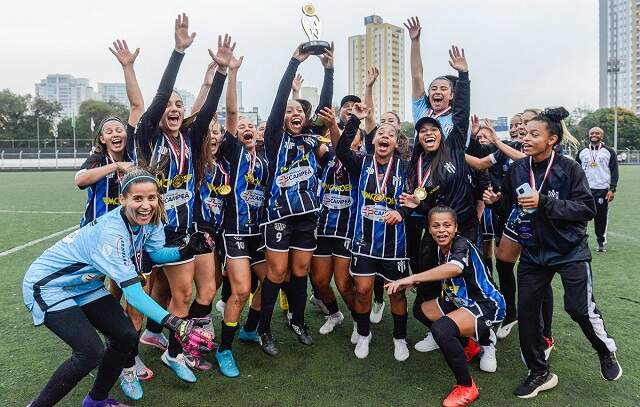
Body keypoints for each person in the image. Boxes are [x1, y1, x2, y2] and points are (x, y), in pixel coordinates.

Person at [23, 169, 214, 407]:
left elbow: (155, 253)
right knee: (89, 353)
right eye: (138, 198)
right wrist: (176, 323)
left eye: (151, 198)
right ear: (123, 199)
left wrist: (185, 251)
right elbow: (133, 294)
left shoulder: (152, 220)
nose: (146, 205)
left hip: (85, 285)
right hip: (49, 286)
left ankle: (95, 402)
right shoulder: (112, 233)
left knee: (125, 337)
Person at [483, 107, 621, 399]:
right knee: (528, 314)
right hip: (533, 251)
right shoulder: (519, 168)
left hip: (569, 250)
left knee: (578, 309)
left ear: (552, 139)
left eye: (534, 134)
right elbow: (510, 203)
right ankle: (539, 371)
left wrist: (543, 201)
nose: (526, 139)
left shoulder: (569, 168)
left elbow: (586, 208)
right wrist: (496, 201)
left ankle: (605, 351)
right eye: (525, 134)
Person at [132, 14, 231, 382]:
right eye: (168, 105)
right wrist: (178, 52)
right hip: (163, 234)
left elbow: (206, 111)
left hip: (193, 228)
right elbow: (157, 99)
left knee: (207, 289)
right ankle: (173, 352)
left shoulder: (190, 139)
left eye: (179, 104)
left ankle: (172, 345)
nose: (173, 108)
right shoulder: (147, 137)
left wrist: (220, 73)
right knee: (183, 295)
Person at [257, 43, 333, 356]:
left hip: (307, 214)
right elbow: (278, 104)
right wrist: (293, 62)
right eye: (290, 111)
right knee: (276, 273)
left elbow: (325, 108)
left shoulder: (312, 137)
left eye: (299, 110)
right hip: (278, 215)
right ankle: (264, 329)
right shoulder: (275, 136)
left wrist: (329, 70)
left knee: (300, 271)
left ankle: (298, 320)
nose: (294, 114)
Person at [386, 206, 505, 407]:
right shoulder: (439, 248)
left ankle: (467, 385)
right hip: (461, 303)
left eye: (447, 225)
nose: (441, 230)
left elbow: (454, 268)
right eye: (436, 226)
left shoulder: (462, 244)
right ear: (429, 229)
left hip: (486, 305)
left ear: (456, 227)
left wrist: (412, 278)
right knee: (421, 310)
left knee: (441, 330)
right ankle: (470, 345)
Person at [336, 102, 410, 361]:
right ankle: (364, 333)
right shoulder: (361, 163)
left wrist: (402, 213)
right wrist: (355, 119)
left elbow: (414, 200)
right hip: (364, 241)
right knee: (363, 290)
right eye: (381, 133)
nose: (385, 137)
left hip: (395, 245)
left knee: (397, 293)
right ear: (374, 139)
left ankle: (399, 338)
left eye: (390, 134)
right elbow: (341, 149)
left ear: (396, 142)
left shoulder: (405, 167)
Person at [310, 105, 358, 338]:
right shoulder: (327, 157)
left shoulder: (361, 161)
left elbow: (343, 149)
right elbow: (310, 137)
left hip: (346, 230)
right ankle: (334, 314)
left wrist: (334, 126)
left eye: (352, 132)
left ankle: (360, 321)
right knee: (319, 282)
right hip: (323, 228)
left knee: (343, 283)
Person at [575, 126, 619, 252]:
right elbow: (575, 171)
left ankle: (601, 242)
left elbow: (614, 171)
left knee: (601, 218)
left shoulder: (609, 152)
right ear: (589, 135)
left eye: (597, 133)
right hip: (583, 190)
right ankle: (579, 242)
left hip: (601, 190)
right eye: (592, 133)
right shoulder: (582, 152)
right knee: (580, 217)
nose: (594, 135)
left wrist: (612, 189)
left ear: (602, 136)